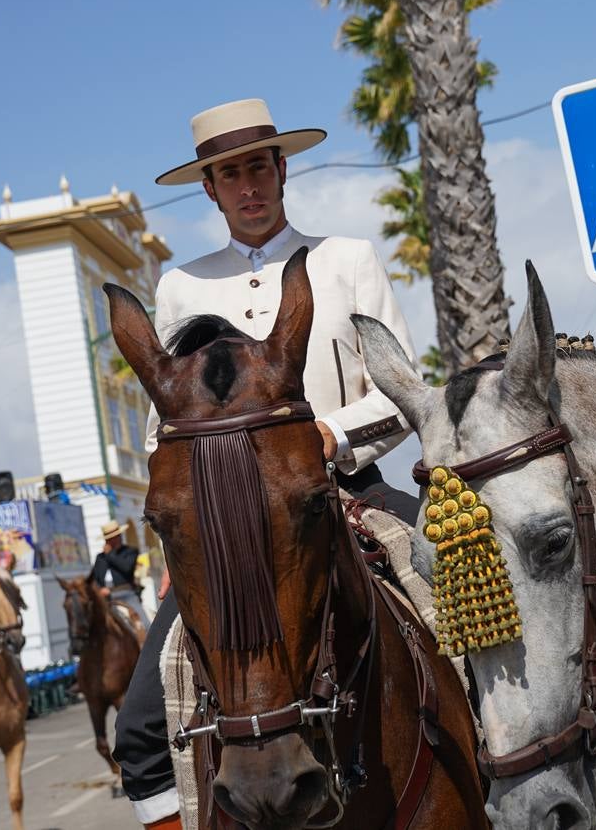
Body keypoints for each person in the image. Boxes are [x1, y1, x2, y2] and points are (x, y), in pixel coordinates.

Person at [113, 98, 422, 828]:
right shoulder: (180, 286)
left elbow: (403, 394)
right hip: (225, 532)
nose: (248, 185)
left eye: (258, 165)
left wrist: (329, 439)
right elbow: (171, 424)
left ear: (282, 169)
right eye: (229, 173)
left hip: (349, 492)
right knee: (140, 727)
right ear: (210, 189)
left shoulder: (348, 260)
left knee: (471, 614)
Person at [88, 519, 150, 630]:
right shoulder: (100, 558)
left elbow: (127, 568)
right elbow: (95, 578)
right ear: (107, 540)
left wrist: (110, 554)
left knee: (144, 623)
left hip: (127, 594)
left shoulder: (130, 551)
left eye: (118, 536)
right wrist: (100, 589)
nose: (118, 539)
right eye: (113, 538)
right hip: (106, 598)